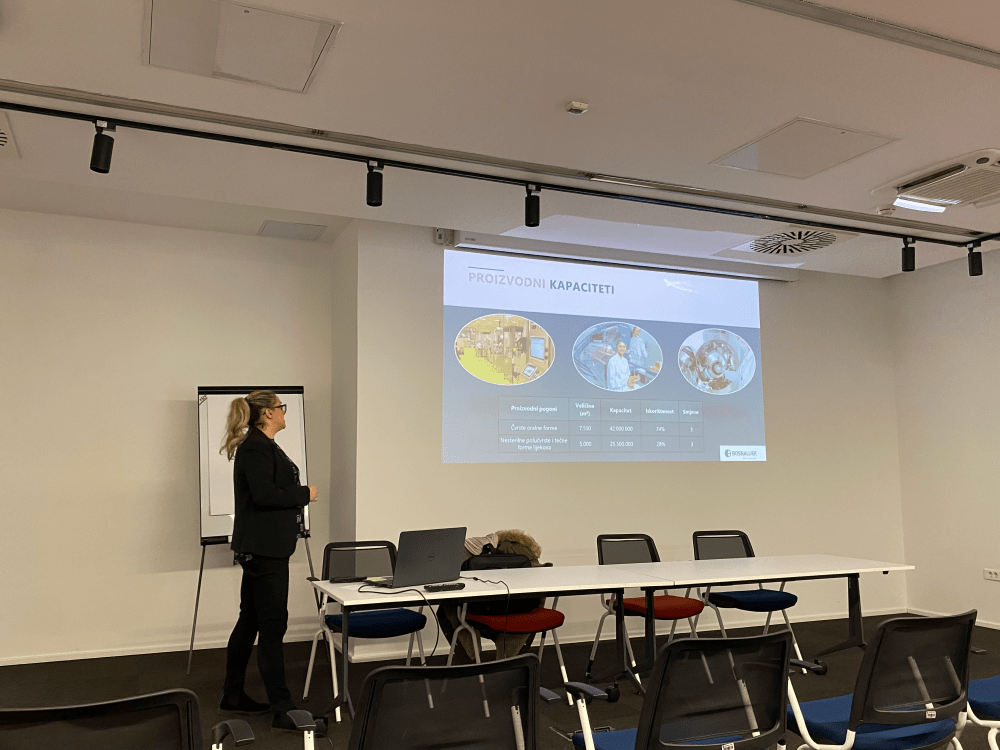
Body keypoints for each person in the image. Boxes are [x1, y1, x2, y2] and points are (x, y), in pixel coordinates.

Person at [219, 390, 322, 734]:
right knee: (273, 625)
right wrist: (304, 494)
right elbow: (265, 496)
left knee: (250, 620)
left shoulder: (263, 446)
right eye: (280, 407)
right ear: (266, 413)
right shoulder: (255, 448)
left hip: (266, 548)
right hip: (265, 551)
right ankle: (282, 709)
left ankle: (233, 694)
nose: (283, 412)